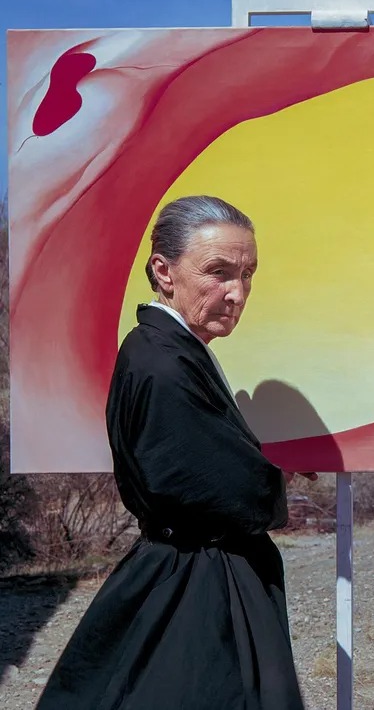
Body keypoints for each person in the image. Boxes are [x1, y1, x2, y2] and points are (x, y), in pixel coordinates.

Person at [37, 195, 310, 710]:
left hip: (191, 568)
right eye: (218, 272)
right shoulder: (162, 364)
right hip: (196, 580)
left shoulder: (169, 349)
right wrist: (275, 476)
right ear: (163, 271)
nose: (237, 292)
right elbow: (222, 489)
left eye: (248, 273)